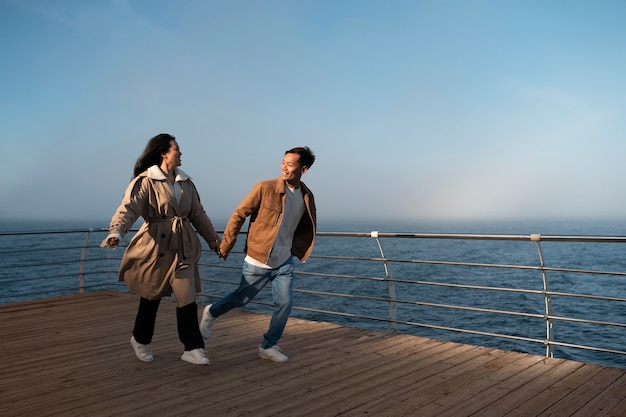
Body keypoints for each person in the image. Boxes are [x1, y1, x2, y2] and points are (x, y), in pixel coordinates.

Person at [101, 133, 221, 366]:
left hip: (183, 246)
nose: (181, 152)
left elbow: (198, 214)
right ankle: (140, 338)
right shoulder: (145, 180)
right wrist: (116, 231)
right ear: (163, 152)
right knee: (152, 295)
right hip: (156, 245)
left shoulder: (186, 182)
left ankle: (192, 347)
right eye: (177, 148)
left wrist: (214, 241)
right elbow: (129, 208)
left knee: (186, 295)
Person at [200, 146, 316, 362]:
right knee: (241, 299)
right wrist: (227, 242)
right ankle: (212, 312)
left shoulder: (307, 196)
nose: (284, 167)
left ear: (304, 169)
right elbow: (239, 213)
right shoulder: (265, 188)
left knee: (285, 303)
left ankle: (268, 345)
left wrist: (297, 250)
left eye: (290, 164)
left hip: (284, 261)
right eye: (283, 162)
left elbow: (302, 226)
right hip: (258, 258)